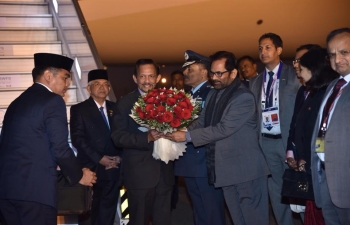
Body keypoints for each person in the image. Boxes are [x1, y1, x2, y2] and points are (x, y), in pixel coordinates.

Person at [166, 51, 270, 225]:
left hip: (246, 171)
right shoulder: (215, 93)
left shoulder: (242, 97)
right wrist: (175, 130)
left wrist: (187, 136)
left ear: (234, 73)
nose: (214, 77)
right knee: (238, 220)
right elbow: (201, 121)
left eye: (219, 73)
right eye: (212, 73)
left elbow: (223, 129)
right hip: (226, 171)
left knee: (253, 220)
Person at [0, 53, 96, 225]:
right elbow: (59, 148)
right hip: (36, 194)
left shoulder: (16, 103)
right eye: (65, 77)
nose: (68, 84)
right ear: (48, 75)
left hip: (7, 192)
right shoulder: (53, 101)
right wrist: (79, 175)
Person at [111, 59, 174, 225]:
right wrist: (146, 137)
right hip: (139, 175)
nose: (147, 80)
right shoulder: (124, 103)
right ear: (135, 78)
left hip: (165, 173)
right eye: (142, 76)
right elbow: (118, 137)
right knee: (139, 220)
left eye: (151, 76)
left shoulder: (169, 101)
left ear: (158, 77)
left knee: (163, 220)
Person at [249, 33, 300, 225]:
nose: (263, 52)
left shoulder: (294, 75)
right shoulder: (255, 82)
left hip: (288, 141)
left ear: (279, 50)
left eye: (268, 47)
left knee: (298, 187)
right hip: (266, 143)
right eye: (260, 48)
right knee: (276, 189)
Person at [286, 48, 339, 225]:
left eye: (303, 66)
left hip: (321, 171)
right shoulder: (311, 93)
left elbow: (323, 135)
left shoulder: (326, 95)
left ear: (314, 68)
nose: (299, 70)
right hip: (309, 167)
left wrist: (310, 160)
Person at [174, 50, 225, 225]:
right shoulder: (189, 95)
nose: (185, 73)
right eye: (185, 69)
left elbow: (211, 126)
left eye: (190, 69)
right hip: (190, 162)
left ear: (204, 71)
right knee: (199, 209)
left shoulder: (212, 94)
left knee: (211, 210)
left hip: (205, 161)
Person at [70, 69, 122, 225]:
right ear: (88, 88)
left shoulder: (116, 108)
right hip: (91, 167)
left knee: (108, 211)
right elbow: (77, 139)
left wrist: (119, 156)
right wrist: (99, 159)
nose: (102, 87)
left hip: (113, 166)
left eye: (106, 84)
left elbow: (123, 135)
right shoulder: (79, 109)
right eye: (97, 84)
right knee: (89, 213)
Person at [310, 27, 350, 225]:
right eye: (332, 54)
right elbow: (322, 128)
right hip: (324, 176)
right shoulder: (333, 86)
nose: (338, 59)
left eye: (344, 52)